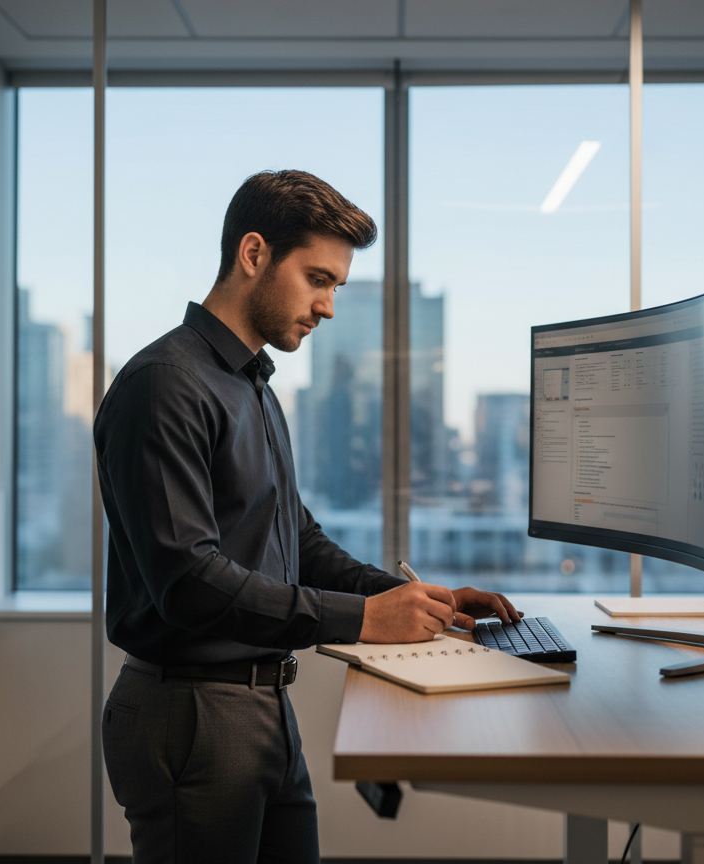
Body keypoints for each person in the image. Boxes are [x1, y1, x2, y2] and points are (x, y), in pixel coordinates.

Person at [94, 169, 520, 864]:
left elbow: (300, 540)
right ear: (254, 255)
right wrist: (364, 621)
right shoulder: (166, 385)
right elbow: (188, 581)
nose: (327, 307)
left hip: (263, 703)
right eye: (318, 279)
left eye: (336, 288)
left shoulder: (251, 385)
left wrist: (408, 599)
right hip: (194, 712)